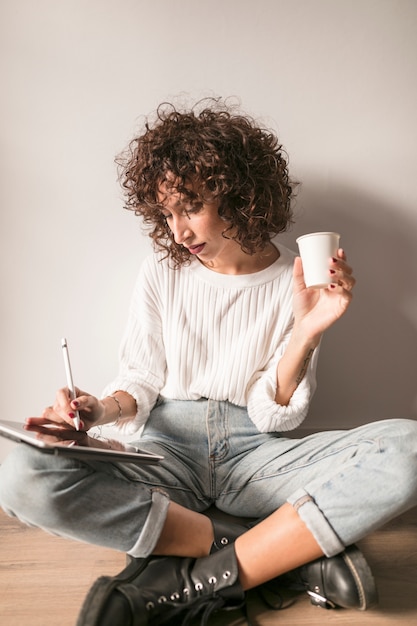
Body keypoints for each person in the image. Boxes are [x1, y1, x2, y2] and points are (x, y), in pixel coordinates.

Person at [1, 98, 417, 626]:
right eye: (167, 214)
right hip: (166, 447)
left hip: (257, 456)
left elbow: (274, 417)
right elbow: (141, 379)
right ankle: (276, 558)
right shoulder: (162, 272)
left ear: (237, 195)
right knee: (21, 478)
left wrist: (307, 333)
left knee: (410, 448)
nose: (177, 232)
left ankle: (205, 572)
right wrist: (96, 410)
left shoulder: (298, 281)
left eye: (189, 207)